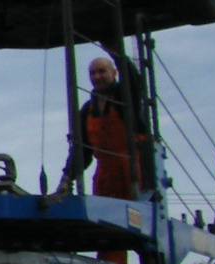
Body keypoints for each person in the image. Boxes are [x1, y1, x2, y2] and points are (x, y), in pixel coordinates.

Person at [61, 53, 149, 198]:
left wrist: (118, 54)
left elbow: (133, 82)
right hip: (105, 178)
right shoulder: (87, 111)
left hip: (134, 172)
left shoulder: (125, 99)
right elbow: (82, 150)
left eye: (102, 71)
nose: (97, 77)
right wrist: (67, 178)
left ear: (114, 73)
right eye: (93, 73)